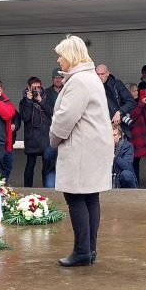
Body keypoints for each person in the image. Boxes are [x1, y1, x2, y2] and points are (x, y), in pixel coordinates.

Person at [49, 36, 113, 267]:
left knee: (76, 198)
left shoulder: (78, 81)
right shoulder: (91, 77)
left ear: (71, 56)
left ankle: (82, 251)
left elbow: (65, 119)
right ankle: (89, 249)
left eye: (61, 55)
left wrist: (53, 140)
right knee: (90, 197)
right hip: (93, 147)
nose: (58, 59)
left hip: (82, 149)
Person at [18, 76, 54, 187]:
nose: (36, 90)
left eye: (38, 87)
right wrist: (29, 101)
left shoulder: (46, 98)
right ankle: (27, 188)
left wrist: (41, 101)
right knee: (30, 165)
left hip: (45, 137)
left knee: (46, 166)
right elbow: (26, 118)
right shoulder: (24, 102)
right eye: (34, 87)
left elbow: (52, 112)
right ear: (28, 87)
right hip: (32, 138)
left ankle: (46, 189)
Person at [96, 63, 134, 128]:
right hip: (103, 125)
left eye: (102, 74)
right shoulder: (94, 88)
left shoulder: (117, 84)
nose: (100, 77)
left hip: (120, 125)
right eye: (97, 74)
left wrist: (119, 112)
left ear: (107, 73)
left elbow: (131, 101)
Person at [112, 124, 137, 188]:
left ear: (120, 135)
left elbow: (127, 166)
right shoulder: (103, 146)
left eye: (114, 135)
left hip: (121, 177)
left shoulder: (128, 146)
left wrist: (114, 155)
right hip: (108, 177)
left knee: (126, 174)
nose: (112, 138)